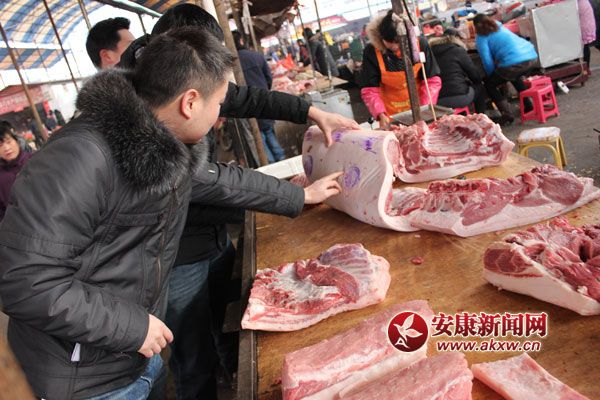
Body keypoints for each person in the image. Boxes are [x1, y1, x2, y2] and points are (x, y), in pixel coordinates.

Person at [0, 27, 342, 400]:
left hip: (132, 353)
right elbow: (26, 282)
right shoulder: (79, 158)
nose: (219, 115)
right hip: (84, 378)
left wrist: (299, 195)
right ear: (190, 102)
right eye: (219, 104)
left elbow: (221, 180)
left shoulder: (159, 141)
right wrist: (132, 327)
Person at [118, 4, 360, 399]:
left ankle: (235, 380)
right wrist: (298, 194)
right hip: (171, 256)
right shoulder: (137, 111)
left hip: (209, 236)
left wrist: (312, 112)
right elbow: (206, 179)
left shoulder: (182, 77)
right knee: (194, 359)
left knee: (232, 329)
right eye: (214, 102)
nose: (220, 110)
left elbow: (247, 99)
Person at [361, 10, 442, 129]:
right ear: (381, 37)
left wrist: (425, 109)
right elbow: (370, 90)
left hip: (420, 106)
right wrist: (380, 113)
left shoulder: (420, 44)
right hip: (391, 114)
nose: (396, 48)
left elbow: (432, 80)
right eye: (391, 44)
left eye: (399, 44)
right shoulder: (372, 51)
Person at [232, 30, 286, 163]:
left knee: (259, 137)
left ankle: (271, 163)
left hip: (246, 105)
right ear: (241, 41)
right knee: (268, 130)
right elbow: (269, 78)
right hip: (263, 100)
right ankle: (281, 159)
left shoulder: (231, 64)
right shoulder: (256, 56)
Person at [473, 14, 538, 124]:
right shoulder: (499, 27)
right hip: (531, 56)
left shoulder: (481, 37)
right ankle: (528, 104)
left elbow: (487, 60)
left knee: (489, 84)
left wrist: (492, 75)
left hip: (515, 62)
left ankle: (507, 114)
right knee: (514, 76)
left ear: (475, 27)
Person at [430, 28, 487, 113]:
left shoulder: (431, 53)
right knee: (479, 87)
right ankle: (481, 117)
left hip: (437, 101)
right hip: (459, 98)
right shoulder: (458, 50)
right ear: (457, 39)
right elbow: (474, 75)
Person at [0, 121, 33, 221]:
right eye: (0, 145)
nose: (6, 148)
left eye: (8, 141)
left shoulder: (36, 160)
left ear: (17, 141)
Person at [578, 0, 597, 73]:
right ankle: (585, 69)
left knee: (585, 44)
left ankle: (586, 69)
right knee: (585, 44)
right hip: (582, 10)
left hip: (582, 12)